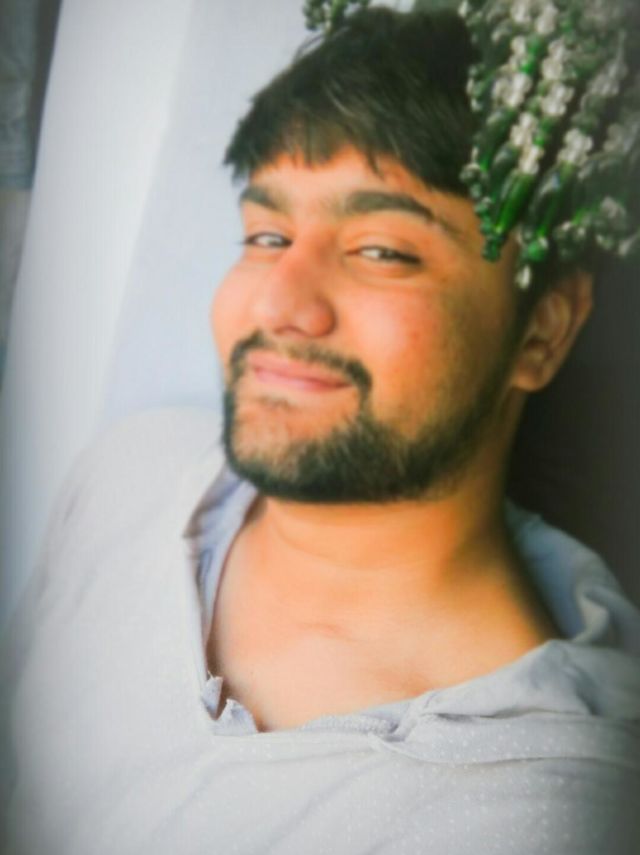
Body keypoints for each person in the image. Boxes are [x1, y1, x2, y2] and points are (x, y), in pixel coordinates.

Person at [2, 3, 639, 853]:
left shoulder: (535, 818)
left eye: (382, 250)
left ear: (543, 330)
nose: (278, 304)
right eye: (267, 234)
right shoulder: (130, 473)